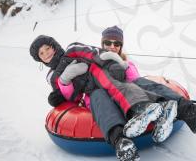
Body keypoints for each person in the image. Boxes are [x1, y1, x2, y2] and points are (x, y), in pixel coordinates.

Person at [29, 35, 178, 161]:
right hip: (92, 93)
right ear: (39, 59)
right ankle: (122, 140)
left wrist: (119, 65)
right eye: (42, 53)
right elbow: (69, 97)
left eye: (47, 48)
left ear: (53, 46)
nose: (46, 53)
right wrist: (65, 80)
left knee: (127, 89)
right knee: (102, 101)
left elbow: (128, 76)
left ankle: (159, 113)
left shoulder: (77, 52)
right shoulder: (52, 77)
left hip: (110, 82)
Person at [100, 25, 196, 134]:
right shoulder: (96, 64)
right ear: (102, 44)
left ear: (120, 47)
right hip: (116, 98)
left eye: (117, 44)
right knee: (136, 87)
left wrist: (123, 65)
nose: (112, 47)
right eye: (108, 43)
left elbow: (135, 81)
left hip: (134, 93)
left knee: (144, 84)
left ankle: (190, 111)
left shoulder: (127, 63)